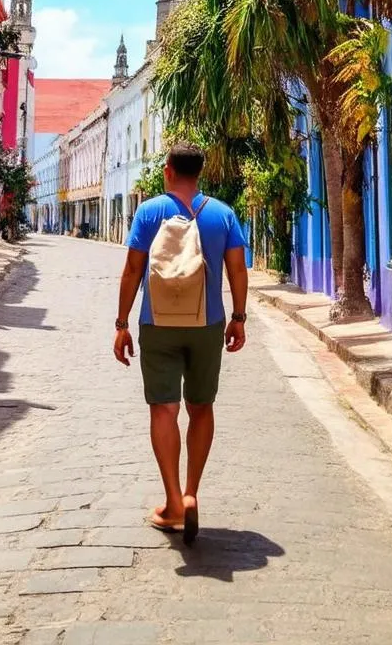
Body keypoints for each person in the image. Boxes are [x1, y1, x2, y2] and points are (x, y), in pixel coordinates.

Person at [113, 142, 248, 544]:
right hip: (207, 324)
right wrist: (238, 318)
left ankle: (173, 502)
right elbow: (238, 270)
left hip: (159, 324)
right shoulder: (222, 214)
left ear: (168, 170)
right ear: (200, 172)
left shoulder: (150, 211)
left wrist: (122, 323)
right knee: (201, 407)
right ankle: (192, 493)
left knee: (164, 409)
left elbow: (132, 270)